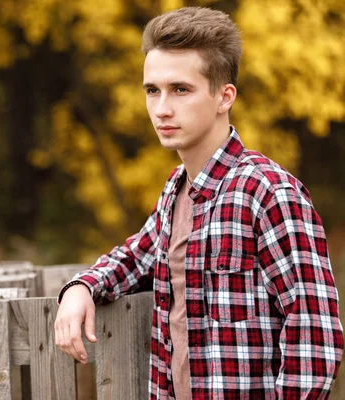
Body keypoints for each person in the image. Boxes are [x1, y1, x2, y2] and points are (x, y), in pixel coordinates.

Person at [54, 6, 344, 399]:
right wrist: (79, 288)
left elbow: (314, 339)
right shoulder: (176, 191)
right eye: (152, 90)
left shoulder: (269, 192)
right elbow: (135, 257)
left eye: (181, 89)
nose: (161, 109)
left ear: (224, 97)